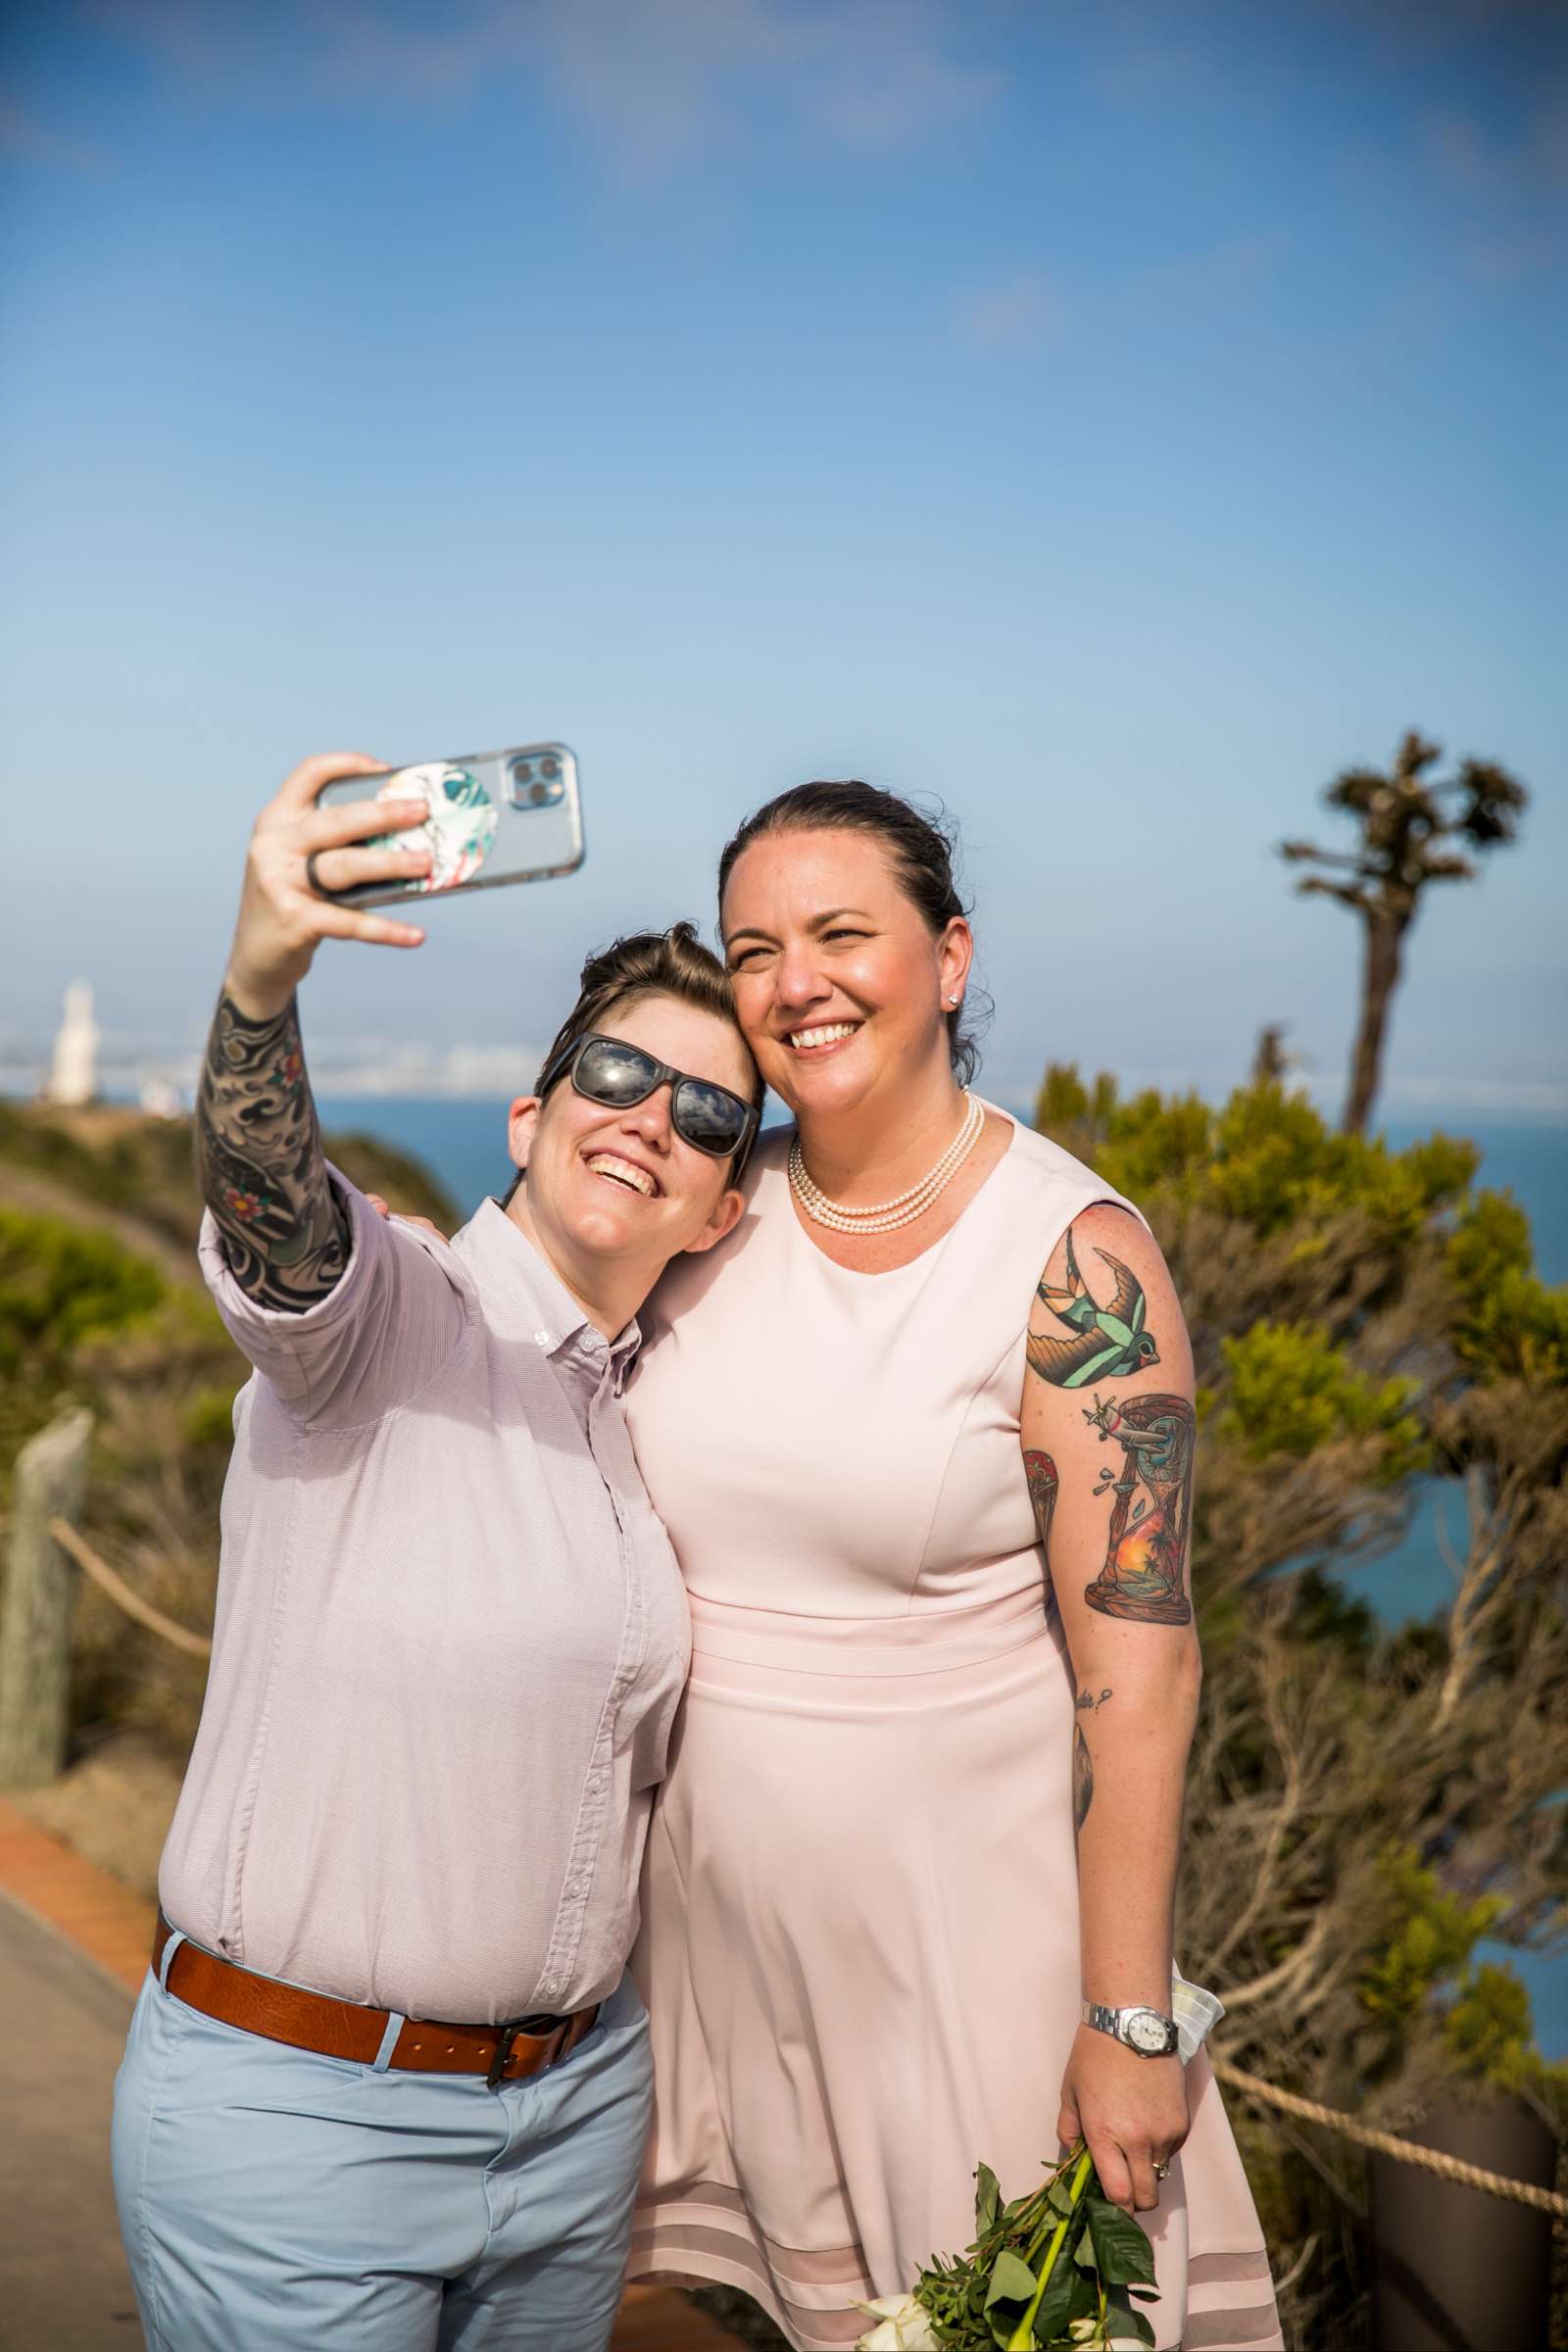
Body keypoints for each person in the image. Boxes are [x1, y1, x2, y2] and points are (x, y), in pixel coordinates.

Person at [110, 752, 762, 2352]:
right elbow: (275, 1211)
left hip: (573, 2123)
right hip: (302, 2127)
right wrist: (264, 972)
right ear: (533, 1116)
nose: (649, 1120)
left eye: (707, 1113)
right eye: (616, 1073)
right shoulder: (393, 1315)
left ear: (724, 1204)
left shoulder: (640, 1425)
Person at [621, 783, 1283, 2352]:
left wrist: (1129, 2022)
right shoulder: (712, 1207)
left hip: (960, 1969)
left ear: (951, 956)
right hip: (730, 1964)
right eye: (756, 950)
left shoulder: (1072, 1259)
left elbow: (1142, 1673)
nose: (797, 984)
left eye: (845, 935)